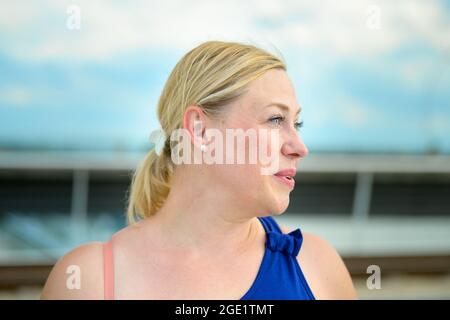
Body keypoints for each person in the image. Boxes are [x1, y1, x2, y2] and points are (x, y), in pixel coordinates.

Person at [41, 40, 357, 300]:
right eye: (276, 120)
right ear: (201, 130)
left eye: (296, 123)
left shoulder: (316, 265)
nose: (299, 147)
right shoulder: (88, 281)